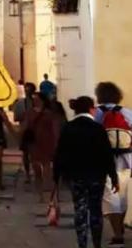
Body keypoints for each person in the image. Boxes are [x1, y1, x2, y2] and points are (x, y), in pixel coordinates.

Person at [53, 96, 119, 248]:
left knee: (80, 209)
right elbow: (107, 154)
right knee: (96, 209)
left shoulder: (68, 127)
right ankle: (96, 244)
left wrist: (56, 177)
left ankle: (82, 243)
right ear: (91, 109)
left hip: (76, 176)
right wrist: (113, 176)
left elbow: (60, 154)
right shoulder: (98, 128)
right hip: (96, 176)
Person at [95, 82, 132, 246]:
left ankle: (118, 234)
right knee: (123, 196)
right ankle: (121, 226)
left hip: (105, 162)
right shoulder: (127, 113)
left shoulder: (97, 114)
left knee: (110, 198)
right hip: (127, 161)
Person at [23, 91, 59, 199]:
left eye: (37, 99)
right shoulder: (29, 113)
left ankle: (45, 191)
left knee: (46, 166)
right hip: (34, 142)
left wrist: (57, 142)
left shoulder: (49, 113)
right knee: (36, 168)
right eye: (33, 99)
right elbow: (25, 127)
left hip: (47, 141)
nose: (35, 101)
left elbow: (55, 128)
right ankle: (40, 191)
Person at [15, 82, 37, 183]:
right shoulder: (20, 103)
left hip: (36, 130)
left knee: (36, 154)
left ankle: (36, 173)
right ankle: (28, 174)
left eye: (29, 90)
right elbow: (16, 118)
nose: (27, 91)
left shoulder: (37, 102)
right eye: (26, 89)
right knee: (25, 154)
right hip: (24, 130)